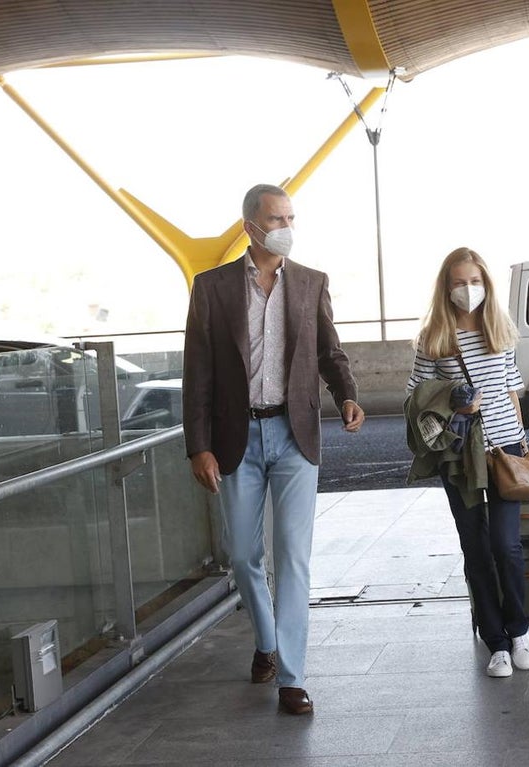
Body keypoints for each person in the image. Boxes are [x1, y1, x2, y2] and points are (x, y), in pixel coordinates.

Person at [182, 183, 365, 714]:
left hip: (294, 435)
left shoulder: (310, 283)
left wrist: (347, 395)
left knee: (293, 556)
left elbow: (330, 351)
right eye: (276, 218)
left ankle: (292, 676)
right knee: (243, 555)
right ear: (250, 226)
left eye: (291, 216)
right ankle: (266, 640)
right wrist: (199, 445)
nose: (286, 226)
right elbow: (197, 373)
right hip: (235, 438)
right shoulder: (211, 288)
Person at [405, 246, 529, 678]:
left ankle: (520, 629)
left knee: (506, 545)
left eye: (475, 281)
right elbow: (417, 399)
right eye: (460, 282)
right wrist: (454, 404)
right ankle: (495, 640)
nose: (468, 289)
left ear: (487, 283)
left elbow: (513, 389)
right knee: (475, 548)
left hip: (505, 449)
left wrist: (522, 442)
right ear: (447, 286)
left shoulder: (500, 328)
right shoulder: (433, 338)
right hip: (458, 454)